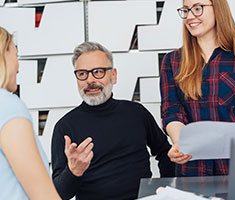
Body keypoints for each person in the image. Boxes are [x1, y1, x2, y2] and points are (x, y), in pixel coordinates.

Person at [51, 41, 175, 200]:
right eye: (82, 73)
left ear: (113, 75)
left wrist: (165, 192)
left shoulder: (136, 113)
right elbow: (59, 194)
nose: (90, 80)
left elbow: (165, 152)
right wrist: (73, 170)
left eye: (98, 72)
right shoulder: (65, 127)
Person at [160, 0, 235, 177]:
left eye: (197, 8)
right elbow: (171, 110)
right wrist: (180, 144)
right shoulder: (172, 61)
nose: (189, 16)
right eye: (186, 10)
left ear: (217, 9)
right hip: (193, 170)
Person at [0, 26, 61, 199]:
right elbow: (43, 194)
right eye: (15, 54)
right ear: (4, 53)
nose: (18, 66)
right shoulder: (8, 106)